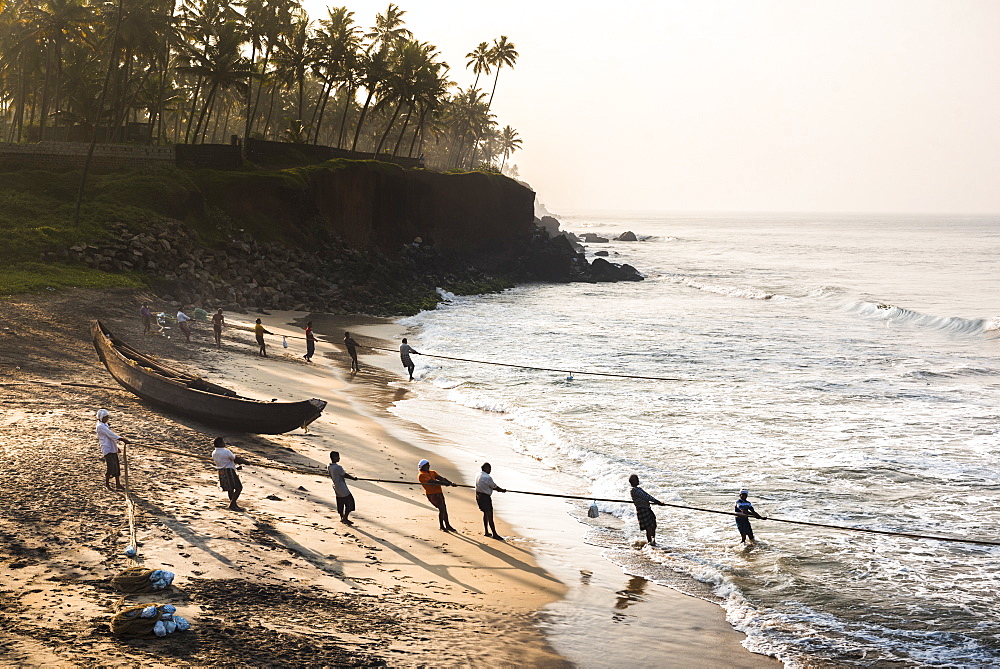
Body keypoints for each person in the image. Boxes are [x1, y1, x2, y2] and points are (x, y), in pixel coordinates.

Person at [418, 459, 457, 532]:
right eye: (427, 465)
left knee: (444, 509)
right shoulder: (421, 475)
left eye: (428, 465)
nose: (428, 466)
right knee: (441, 509)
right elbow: (432, 482)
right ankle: (442, 526)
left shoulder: (433, 472)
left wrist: (450, 483)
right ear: (423, 466)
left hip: (439, 492)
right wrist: (444, 483)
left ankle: (447, 525)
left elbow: (441, 478)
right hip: (432, 494)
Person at [97, 409, 129, 490]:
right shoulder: (100, 426)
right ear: (101, 418)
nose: (107, 419)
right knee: (111, 466)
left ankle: (117, 484)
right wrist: (122, 439)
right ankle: (107, 484)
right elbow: (111, 435)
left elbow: (110, 437)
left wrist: (116, 447)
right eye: (105, 417)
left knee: (116, 466)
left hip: (112, 447)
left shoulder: (105, 425)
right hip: (107, 449)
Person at [629, 474, 665, 546]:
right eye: (637, 479)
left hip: (647, 509)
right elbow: (646, 497)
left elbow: (647, 495)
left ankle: (653, 541)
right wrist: (657, 502)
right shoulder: (634, 490)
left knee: (653, 525)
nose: (638, 480)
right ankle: (650, 543)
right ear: (633, 481)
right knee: (649, 527)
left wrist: (656, 501)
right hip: (642, 510)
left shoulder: (638, 489)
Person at [212, 437, 245, 511]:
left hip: (221, 471)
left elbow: (228, 460)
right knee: (239, 487)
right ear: (220, 443)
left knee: (231, 488)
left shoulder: (214, 453)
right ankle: (232, 504)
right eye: (223, 442)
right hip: (229, 471)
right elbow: (235, 459)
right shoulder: (225, 451)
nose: (224, 443)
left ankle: (234, 504)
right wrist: (245, 461)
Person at [475, 463, 507, 539]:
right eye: (489, 468)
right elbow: (494, 486)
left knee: (485, 513)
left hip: (478, 495)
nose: (490, 470)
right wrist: (502, 490)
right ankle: (494, 534)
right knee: (489, 515)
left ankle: (486, 531)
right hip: (485, 497)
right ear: (486, 468)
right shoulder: (487, 477)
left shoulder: (478, 474)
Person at [328, 451, 358, 524]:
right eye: (338, 457)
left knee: (340, 502)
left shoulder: (329, 466)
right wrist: (353, 478)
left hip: (336, 485)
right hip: (341, 486)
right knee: (350, 502)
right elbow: (344, 474)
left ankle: (342, 517)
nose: (339, 458)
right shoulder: (338, 467)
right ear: (334, 457)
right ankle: (345, 518)